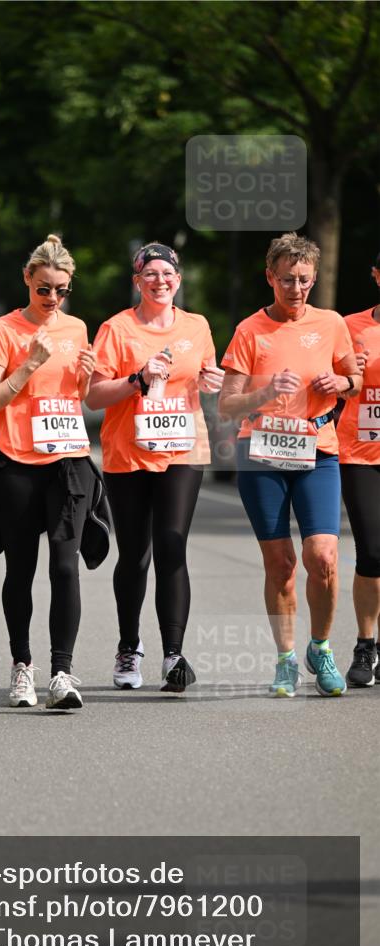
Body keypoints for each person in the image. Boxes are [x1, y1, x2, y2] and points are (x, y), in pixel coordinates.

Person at [219, 232, 361, 698]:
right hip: (261, 451)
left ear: (314, 278)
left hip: (317, 448)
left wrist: (341, 381)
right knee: (280, 563)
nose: (296, 289)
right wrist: (264, 392)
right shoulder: (249, 331)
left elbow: (355, 379)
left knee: (323, 556)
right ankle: (285, 660)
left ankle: (320, 648)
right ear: (270, 278)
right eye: (286, 280)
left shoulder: (332, 323)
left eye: (303, 280)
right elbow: (227, 405)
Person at [86, 242, 223, 693]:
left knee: (171, 544)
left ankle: (174, 654)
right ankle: (129, 647)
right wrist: (137, 380)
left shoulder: (197, 326)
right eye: (151, 274)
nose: (160, 281)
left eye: (168, 274)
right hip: (128, 452)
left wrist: (212, 380)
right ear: (137, 281)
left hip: (183, 448)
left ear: (178, 281)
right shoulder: (116, 328)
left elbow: (208, 374)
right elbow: (94, 395)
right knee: (135, 552)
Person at [0, 234, 98, 710]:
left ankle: (62, 673)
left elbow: (79, 398)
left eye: (62, 290)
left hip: (68, 461)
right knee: (21, 570)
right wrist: (27, 365)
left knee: (65, 567)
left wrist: (86, 375)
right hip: (19, 464)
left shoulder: (77, 327)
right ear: (28, 279)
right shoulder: (2, 330)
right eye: (44, 288)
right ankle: (22, 667)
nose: (52, 299)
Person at [337, 252, 380, 687]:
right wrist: (351, 378)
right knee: (372, 550)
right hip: (360, 451)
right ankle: (365, 646)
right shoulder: (350, 327)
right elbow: (329, 383)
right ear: (376, 275)